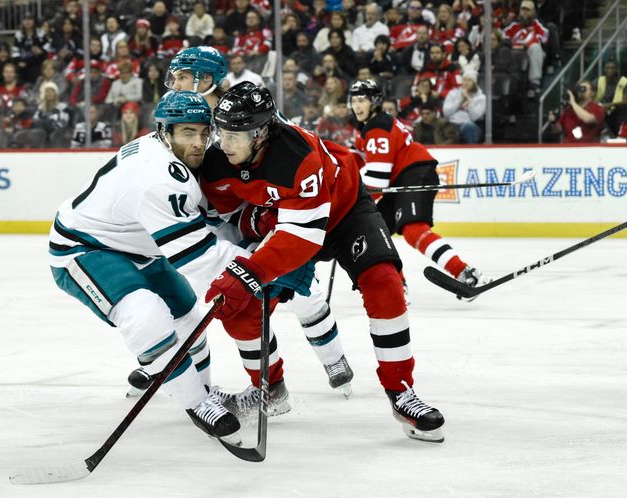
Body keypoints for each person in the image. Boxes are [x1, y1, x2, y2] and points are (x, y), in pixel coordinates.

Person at [198, 81, 445, 443]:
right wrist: (253, 221)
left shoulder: (295, 156)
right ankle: (270, 389)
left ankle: (401, 391)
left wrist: (246, 270)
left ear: (262, 132)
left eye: (238, 134)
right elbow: (228, 215)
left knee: (384, 282)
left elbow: (303, 239)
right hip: (291, 223)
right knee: (243, 310)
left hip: (343, 211)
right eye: (223, 132)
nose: (226, 142)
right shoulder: (217, 163)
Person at [158, 47, 355, 400]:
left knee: (296, 294)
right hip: (225, 213)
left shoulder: (248, 106)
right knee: (230, 301)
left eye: (183, 76)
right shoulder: (183, 111)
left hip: (273, 211)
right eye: (174, 76)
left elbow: (287, 157)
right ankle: (173, 359)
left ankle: (332, 357)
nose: (175, 84)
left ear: (206, 80)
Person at [48, 90, 243, 442]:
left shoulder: (171, 154)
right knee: (145, 314)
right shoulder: (159, 175)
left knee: (190, 320)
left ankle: (193, 383)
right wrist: (260, 267)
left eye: (203, 132)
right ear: (165, 132)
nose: (199, 142)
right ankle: (196, 402)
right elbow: (196, 258)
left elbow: (209, 222)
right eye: (187, 133)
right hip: (84, 248)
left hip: (139, 246)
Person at [349, 79, 489, 303]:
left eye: (362, 100)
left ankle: (466, 273)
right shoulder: (369, 127)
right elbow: (357, 158)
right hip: (401, 179)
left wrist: (349, 201)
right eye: (354, 100)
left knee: (413, 230)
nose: (357, 106)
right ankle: (396, 285)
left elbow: (377, 179)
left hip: (414, 173)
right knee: (375, 232)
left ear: (374, 102)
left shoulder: (377, 127)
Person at [442, 70, 485, 144]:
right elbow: (446, 112)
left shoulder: (481, 98)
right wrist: (460, 101)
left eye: (469, 80)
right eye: (464, 80)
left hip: (470, 125)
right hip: (452, 123)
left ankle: (472, 151)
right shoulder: (453, 93)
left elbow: (474, 117)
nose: (466, 82)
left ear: (475, 83)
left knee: (468, 127)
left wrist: (468, 100)